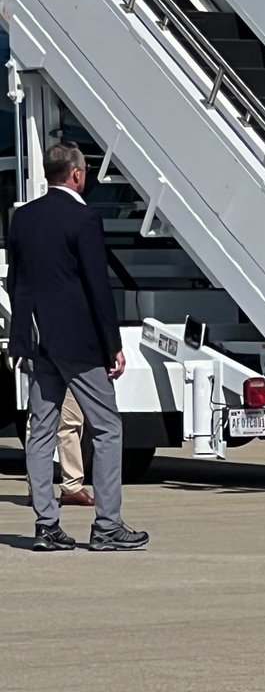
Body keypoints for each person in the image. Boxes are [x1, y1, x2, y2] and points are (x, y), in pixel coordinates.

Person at [7, 143, 148, 552]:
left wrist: (25, 333)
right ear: (76, 175)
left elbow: (16, 282)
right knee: (106, 427)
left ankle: (46, 525)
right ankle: (107, 524)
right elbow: (97, 287)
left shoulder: (23, 218)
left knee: (41, 431)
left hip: (37, 340)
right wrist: (112, 345)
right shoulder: (84, 218)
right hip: (78, 342)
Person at [24, 390, 91, 508]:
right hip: (42, 373)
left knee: (71, 420)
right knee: (39, 423)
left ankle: (72, 486)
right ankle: (37, 489)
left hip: (74, 372)